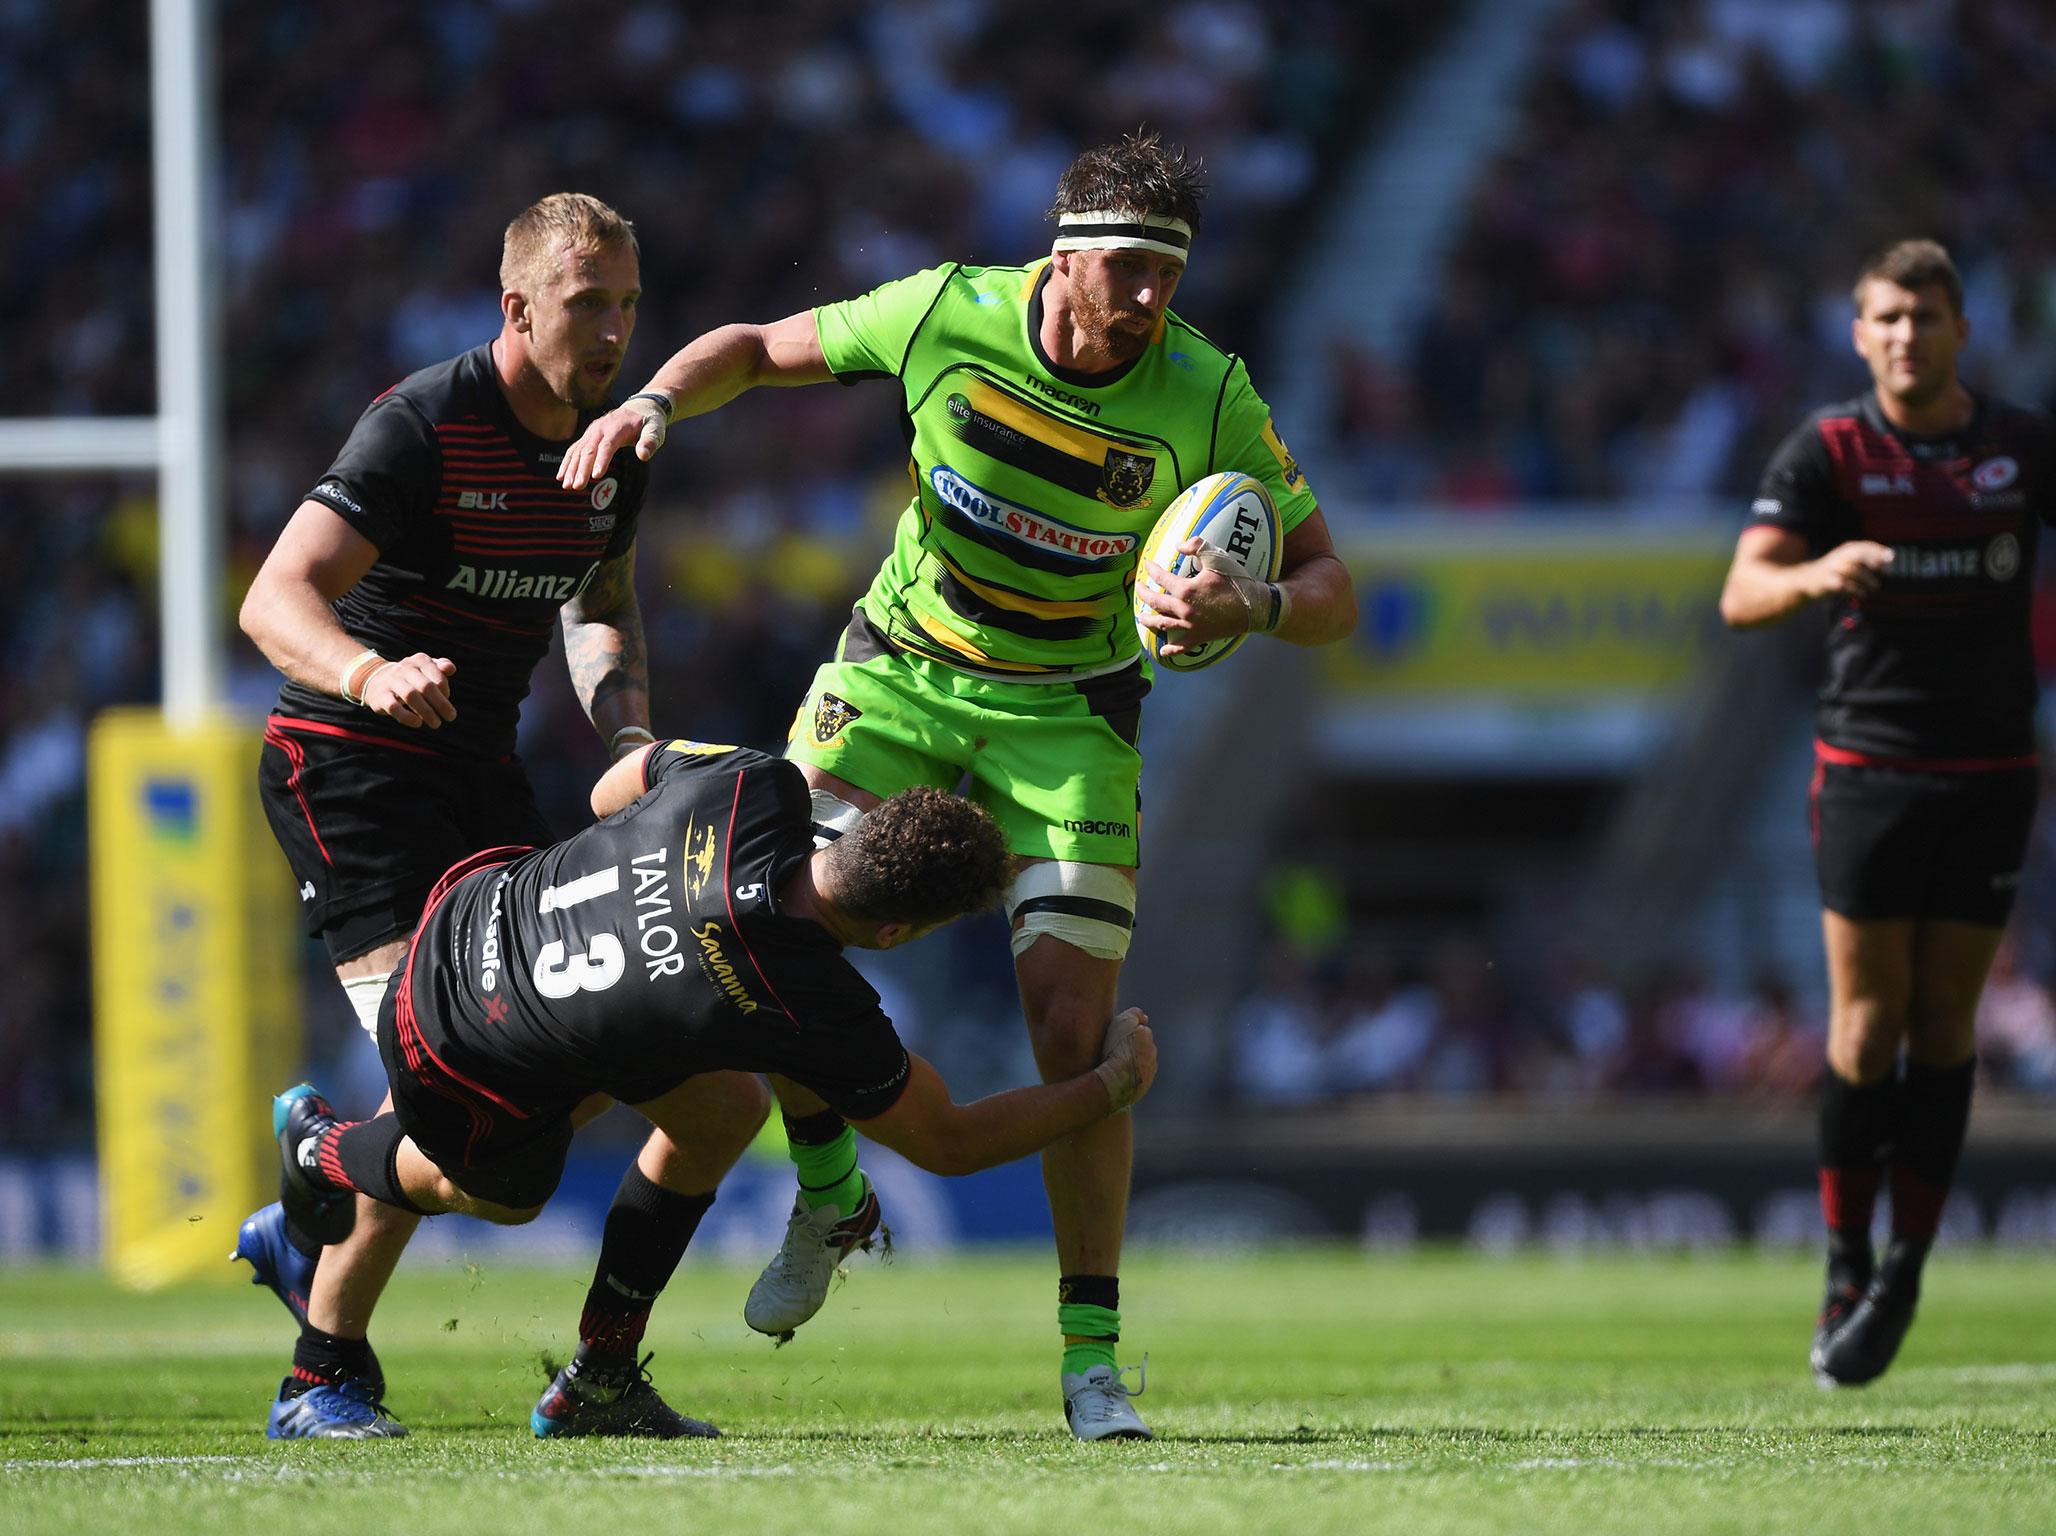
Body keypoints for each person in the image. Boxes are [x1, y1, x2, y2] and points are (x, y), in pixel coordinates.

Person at [556, 130, 1357, 1440]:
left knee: (1070, 1033)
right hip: (899, 677)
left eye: (1171, 279)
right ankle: (829, 1189)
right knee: (762, 914)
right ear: (1061, 258)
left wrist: (1253, 599)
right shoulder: (945, 313)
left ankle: (1091, 1364)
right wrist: (652, 403)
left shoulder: (1208, 394)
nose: (1152, 305)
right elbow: (758, 347)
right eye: (1128, 275)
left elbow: (1335, 592)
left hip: (1070, 722)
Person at [235, 192, 741, 1439]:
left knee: (661, 1091)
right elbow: (273, 598)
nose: (616, 330)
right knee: (475, 1100)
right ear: (515, 308)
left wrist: (625, 729)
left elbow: (599, 605)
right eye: (588, 305)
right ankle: (322, 1374)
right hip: (350, 771)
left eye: (628, 303)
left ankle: (589, 1370)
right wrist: (367, 670)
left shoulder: (611, 449)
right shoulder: (422, 425)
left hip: (480, 778)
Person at [272, 739, 1158, 1437]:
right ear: (895, 931)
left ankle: (600, 1380)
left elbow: (613, 786)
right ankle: (320, 1145)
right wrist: (1109, 1085)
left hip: (467, 906)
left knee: (725, 1108)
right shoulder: (810, 1003)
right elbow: (949, 1142)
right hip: (456, 1042)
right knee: (500, 1195)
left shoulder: (756, 783)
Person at [1719, 239, 2056, 1387]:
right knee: (1865, 1026)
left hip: (1994, 770)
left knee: (1946, 1029)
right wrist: (1817, 574)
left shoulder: (2017, 445)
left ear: (1961, 328)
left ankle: (1906, 1267)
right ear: (1858, 335)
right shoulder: (1827, 449)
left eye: (1924, 316)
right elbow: (1742, 591)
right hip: (1868, 764)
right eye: (1884, 319)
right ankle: (1844, 1258)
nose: (1905, 335)